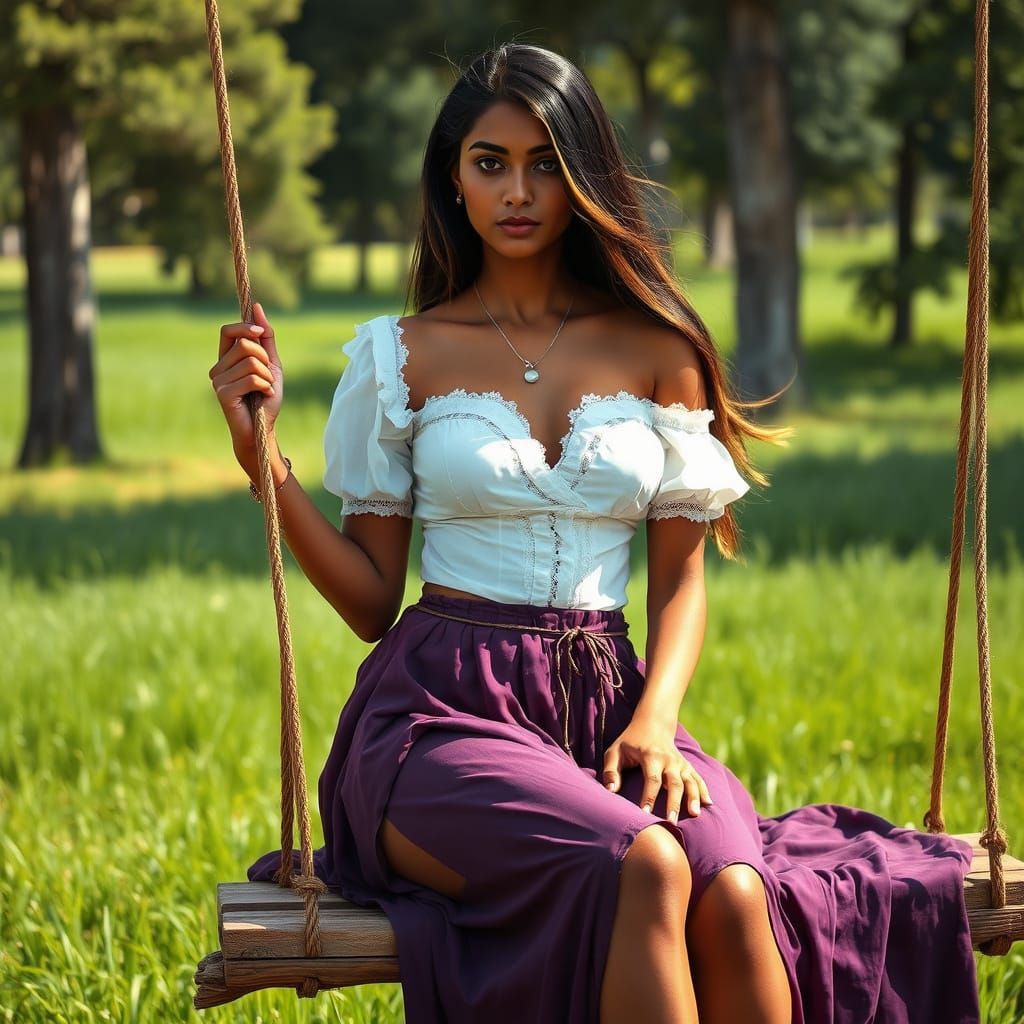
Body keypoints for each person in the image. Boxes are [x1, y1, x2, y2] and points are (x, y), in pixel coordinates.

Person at [210, 42, 980, 1024]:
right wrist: (262, 468)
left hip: (612, 704)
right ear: (452, 177)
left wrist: (655, 720)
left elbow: (678, 582)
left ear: (584, 177)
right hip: (443, 714)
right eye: (489, 162)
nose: (518, 190)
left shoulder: (658, 350)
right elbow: (369, 601)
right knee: (640, 860)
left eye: (545, 163)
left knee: (734, 887)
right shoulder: (401, 358)